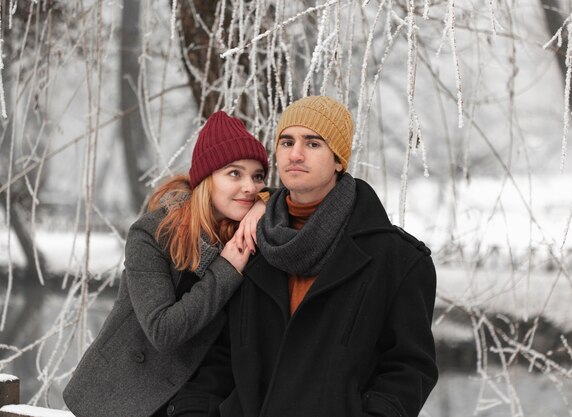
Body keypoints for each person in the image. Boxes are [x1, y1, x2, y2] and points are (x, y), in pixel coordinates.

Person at [167, 96, 438, 417]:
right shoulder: (248, 244)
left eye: (312, 143)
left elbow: (408, 368)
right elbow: (220, 356)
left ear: (338, 160)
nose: (295, 154)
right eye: (286, 142)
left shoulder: (398, 260)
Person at [63, 110, 269, 417]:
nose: (250, 187)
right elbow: (163, 331)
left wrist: (267, 203)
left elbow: (301, 201)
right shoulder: (153, 234)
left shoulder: (248, 233)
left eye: (258, 176)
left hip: (193, 399)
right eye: (234, 174)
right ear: (206, 179)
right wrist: (226, 268)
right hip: (122, 398)